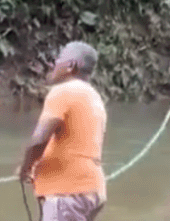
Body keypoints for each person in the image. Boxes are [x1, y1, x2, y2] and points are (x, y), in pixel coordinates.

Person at [17, 41, 109, 221]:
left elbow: (38, 141)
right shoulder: (94, 96)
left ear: (70, 66)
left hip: (68, 192)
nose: (53, 64)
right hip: (91, 190)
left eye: (59, 58)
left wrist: (25, 168)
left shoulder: (62, 92)